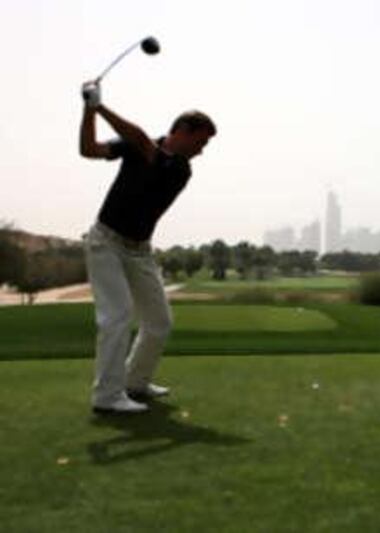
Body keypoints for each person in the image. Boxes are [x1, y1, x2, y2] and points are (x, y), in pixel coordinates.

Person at [79, 80, 216, 414]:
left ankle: (134, 383)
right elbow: (88, 149)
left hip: (139, 250)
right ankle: (106, 396)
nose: (202, 150)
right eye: (201, 141)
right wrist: (89, 111)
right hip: (105, 242)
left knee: (159, 321)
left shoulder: (180, 168)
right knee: (117, 316)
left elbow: (141, 142)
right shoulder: (138, 145)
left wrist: (99, 105)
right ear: (182, 130)